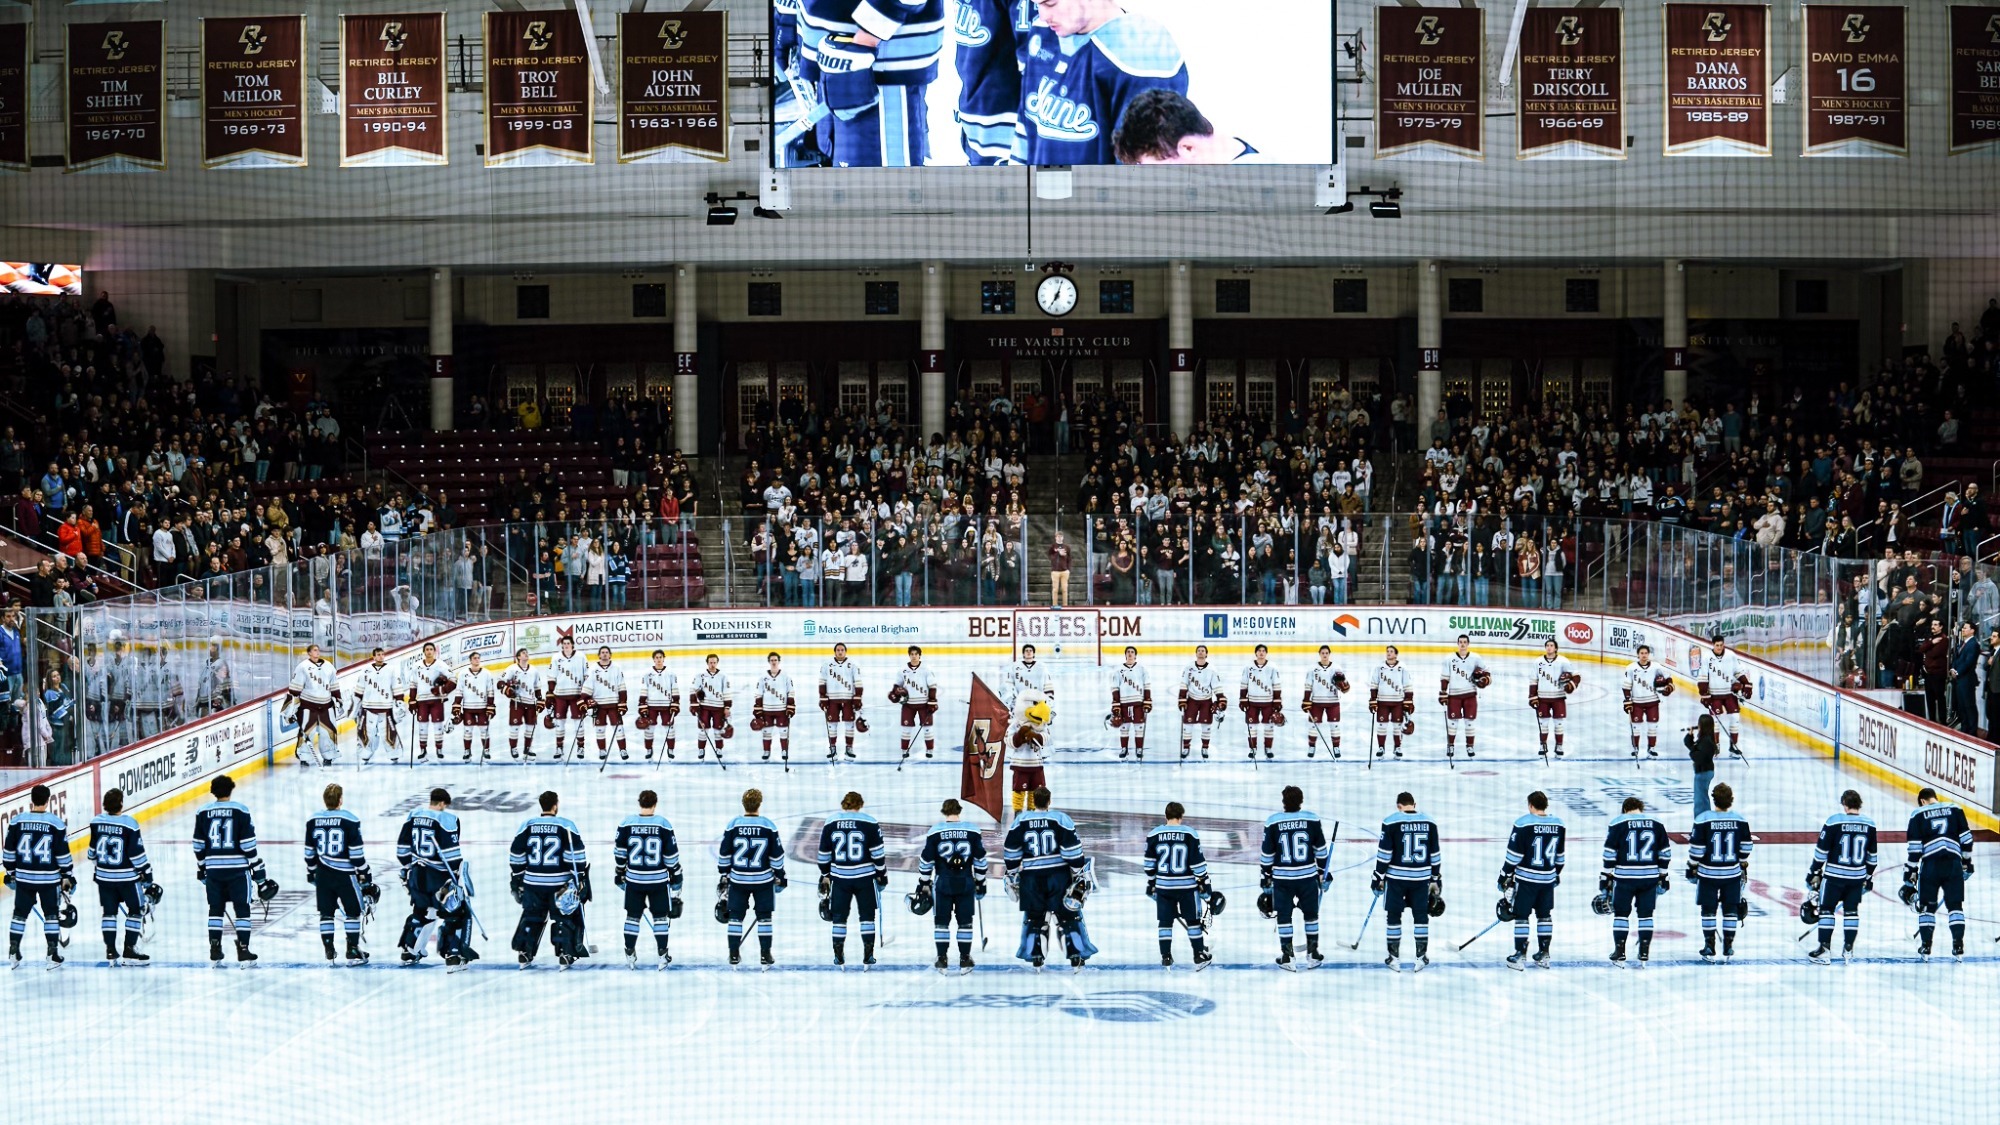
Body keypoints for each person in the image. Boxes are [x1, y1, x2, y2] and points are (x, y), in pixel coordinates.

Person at [1003, 785, 1095, 971]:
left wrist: (1012, 872)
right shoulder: (1060, 819)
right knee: (1068, 916)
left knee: (1035, 918)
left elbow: (1011, 850)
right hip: (1058, 877)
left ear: (1033, 801)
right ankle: (1075, 955)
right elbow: (1071, 850)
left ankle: (1036, 956)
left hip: (1031, 878)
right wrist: (1078, 872)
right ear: (1049, 801)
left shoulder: (1021, 820)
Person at [509, 791, 592, 969]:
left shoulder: (527, 825)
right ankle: (565, 954)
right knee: (564, 917)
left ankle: (525, 953)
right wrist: (579, 877)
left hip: (532, 883)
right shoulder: (566, 825)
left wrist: (518, 876)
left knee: (532, 917)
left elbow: (516, 854)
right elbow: (575, 856)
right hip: (559, 885)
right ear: (556, 805)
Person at [192, 775, 267, 965]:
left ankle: (215, 949)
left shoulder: (202, 812)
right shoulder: (241, 810)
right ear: (231, 789)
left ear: (213, 791)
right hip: (238, 871)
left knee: (215, 909)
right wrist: (258, 869)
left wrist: (202, 868)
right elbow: (248, 844)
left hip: (214, 870)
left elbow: (198, 845)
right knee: (242, 909)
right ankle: (243, 950)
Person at [396, 788, 473, 968]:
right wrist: (456, 877)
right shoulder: (447, 819)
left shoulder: (413, 816)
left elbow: (402, 850)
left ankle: (410, 950)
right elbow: (452, 856)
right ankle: (453, 954)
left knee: (422, 910)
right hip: (439, 879)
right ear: (442, 803)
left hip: (416, 876)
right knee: (457, 912)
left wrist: (409, 868)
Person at [1261, 785, 1330, 970]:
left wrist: (1265, 876)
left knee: (1284, 916)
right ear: (1301, 801)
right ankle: (1313, 954)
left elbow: (1267, 854)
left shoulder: (1273, 821)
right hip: (1307, 877)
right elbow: (1321, 851)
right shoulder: (1312, 819)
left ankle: (1288, 956)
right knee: (1311, 915)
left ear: (1283, 802)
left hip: (1282, 878)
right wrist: (1323, 872)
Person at [304, 783, 373, 965]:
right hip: (345, 875)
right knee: (353, 912)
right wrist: (365, 872)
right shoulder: (350, 819)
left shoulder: (313, 820)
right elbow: (356, 855)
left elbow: (309, 852)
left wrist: (311, 872)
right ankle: (352, 950)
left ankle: (329, 949)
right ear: (341, 800)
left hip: (323, 874)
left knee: (326, 913)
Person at [613, 789, 684, 969]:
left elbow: (620, 853)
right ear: (655, 804)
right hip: (658, 881)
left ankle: (630, 953)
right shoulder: (663, 824)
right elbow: (671, 857)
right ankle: (662, 954)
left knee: (632, 917)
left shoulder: (626, 823)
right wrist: (676, 874)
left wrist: (620, 872)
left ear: (639, 803)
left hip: (634, 880)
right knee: (660, 918)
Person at [4, 784, 73, 966]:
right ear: (48, 801)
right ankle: (52, 953)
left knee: (19, 914)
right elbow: (63, 855)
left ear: (31, 800)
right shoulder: (56, 823)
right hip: (49, 879)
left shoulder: (17, 821)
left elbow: (8, 852)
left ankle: (13, 951)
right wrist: (68, 875)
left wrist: (11, 873)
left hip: (24, 878)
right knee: (51, 914)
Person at [817, 791, 888, 968]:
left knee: (839, 918)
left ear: (844, 804)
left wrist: (825, 875)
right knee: (867, 917)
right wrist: (881, 874)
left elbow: (823, 854)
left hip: (840, 878)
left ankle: (838, 956)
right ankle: (868, 956)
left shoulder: (831, 822)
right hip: (865, 878)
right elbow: (878, 854)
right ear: (860, 804)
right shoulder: (870, 822)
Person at [717, 788, 787, 969]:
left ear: (744, 804)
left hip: (738, 880)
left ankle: (733, 953)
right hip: (763, 881)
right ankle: (765, 954)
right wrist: (780, 875)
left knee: (735, 917)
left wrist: (724, 874)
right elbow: (777, 857)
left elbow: (724, 854)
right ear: (759, 804)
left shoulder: (733, 824)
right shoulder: (768, 826)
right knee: (764, 917)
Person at [1806, 790, 1877, 964]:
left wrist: (1813, 871)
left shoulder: (1834, 821)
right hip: (1857, 878)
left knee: (1826, 910)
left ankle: (1824, 950)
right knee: (1851, 912)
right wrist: (1867, 877)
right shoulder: (1870, 824)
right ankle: (1848, 950)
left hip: (1834, 877)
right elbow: (1872, 858)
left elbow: (1821, 852)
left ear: (1845, 804)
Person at [1372, 791, 1441, 972]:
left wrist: (1377, 877)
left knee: (1394, 916)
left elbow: (1384, 854)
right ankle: (1421, 957)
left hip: (1396, 880)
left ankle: (1394, 958)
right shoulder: (1430, 822)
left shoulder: (1390, 821)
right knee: (1421, 916)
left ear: (1399, 806)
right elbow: (1435, 854)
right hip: (1421, 879)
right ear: (1414, 804)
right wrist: (1435, 879)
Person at [916, 798, 987, 973]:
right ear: (959, 810)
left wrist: (924, 882)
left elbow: (926, 861)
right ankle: (965, 960)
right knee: (965, 922)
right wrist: (980, 882)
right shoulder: (973, 830)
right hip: (965, 882)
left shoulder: (935, 831)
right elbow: (980, 860)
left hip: (943, 883)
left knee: (941, 922)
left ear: (944, 811)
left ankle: (942, 959)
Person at [1599, 796, 1671, 967]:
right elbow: (1665, 853)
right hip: (1649, 878)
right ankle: (1644, 952)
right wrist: (1663, 875)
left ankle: (1620, 952)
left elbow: (1609, 852)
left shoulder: (1618, 823)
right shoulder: (1657, 824)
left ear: (1625, 810)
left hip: (1625, 878)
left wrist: (1606, 876)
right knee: (1646, 915)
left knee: (1621, 914)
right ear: (1641, 809)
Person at [1906, 787, 1974, 961]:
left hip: (1930, 866)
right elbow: (1967, 839)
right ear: (1934, 797)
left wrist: (1911, 871)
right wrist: (1966, 863)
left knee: (1927, 907)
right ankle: (1958, 946)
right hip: (1953, 864)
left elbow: (1914, 848)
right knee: (1955, 906)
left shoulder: (1917, 814)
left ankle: (1926, 947)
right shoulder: (1955, 808)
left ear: (1922, 801)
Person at [1498, 791, 1564, 970]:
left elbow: (1514, 856)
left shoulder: (1523, 823)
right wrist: (1554, 874)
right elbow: (1560, 858)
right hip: (1547, 880)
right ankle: (1544, 954)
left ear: (1530, 805)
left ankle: (1520, 955)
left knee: (1521, 916)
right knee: (1544, 915)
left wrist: (1504, 875)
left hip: (1526, 880)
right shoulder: (1558, 824)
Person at [1687, 783, 1751, 963]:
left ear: (1713, 799)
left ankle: (1709, 946)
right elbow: (1746, 847)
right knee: (1730, 909)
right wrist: (1740, 860)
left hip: (1708, 874)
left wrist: (1692, 865)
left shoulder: (1703, 819)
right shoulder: (1740, 819)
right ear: (1731, 800)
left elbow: (1697, 850)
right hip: (1732, 874)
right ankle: (1728, 945)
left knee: (1708, 909)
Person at [87, 787, 152, 964]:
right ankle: (129, 949)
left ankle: (110, 950)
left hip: (104, 878)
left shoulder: (96, 822)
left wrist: (102, 868)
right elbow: (136, 855)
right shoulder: (130, 824)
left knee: (109, 913)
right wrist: (147, 872)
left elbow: (91, 853)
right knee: (136, 910)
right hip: (127, 879)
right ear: (121, 803)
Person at [1146, 801, 1213, 969]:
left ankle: (1166, 956)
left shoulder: (1154, 834)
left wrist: (1152, 883)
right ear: (1181, 816)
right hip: (1187, 887)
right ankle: (1198, 954)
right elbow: (1198, 865)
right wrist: (1204, 882)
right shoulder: (1189, 833)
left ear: (1166, 816)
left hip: (1164, 887)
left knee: (1165, 922)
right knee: (1193, 921)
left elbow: (1148, 865)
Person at [286, 642, 342, 767]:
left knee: (328, 731)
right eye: (314, 650)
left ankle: (328, 756)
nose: (317, 652)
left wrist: (338, 700)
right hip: (308, 706)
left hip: (326, 706)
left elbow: (334, 685)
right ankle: (304, 757)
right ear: (309, 653)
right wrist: (291, 708)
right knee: (307, 732)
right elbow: (294, 690)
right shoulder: (302, 667)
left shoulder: (328, 666)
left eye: (318, 650)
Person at [1440, 633, 1492, 761]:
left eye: (1465, 642)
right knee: (1453, 722)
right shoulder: (1449, 659)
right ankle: (1450, 746)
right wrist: (1443, 692)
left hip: (1470, 695)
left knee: (1470, 722)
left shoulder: (1476, 658)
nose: (1462, 644)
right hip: (1454, 695)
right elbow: (1445, 677)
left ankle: (1470, 747)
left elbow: (1487, 673)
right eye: (1460, 642)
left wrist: (1485, 679)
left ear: (1468, 644)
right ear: (1458, 644)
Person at [403, 641, 457, 764]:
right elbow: (413, 683)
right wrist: (412, 700)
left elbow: (453, 679)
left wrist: (442, 690)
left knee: (438, 726)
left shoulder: (440, 664)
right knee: (422, 726)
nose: (429, 651)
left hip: (436, 700)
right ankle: (423, 750)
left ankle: (439, 749)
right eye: (427, 649)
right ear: (424, 652)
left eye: (431, 649)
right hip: (422, 700)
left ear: (434, 651)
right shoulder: (417, 666)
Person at [1697, 636, 1750, 758]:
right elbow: (1703, 676)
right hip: (1714, 694)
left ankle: (1733, 747)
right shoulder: (1706, 657)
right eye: (1717, 645)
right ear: (1713, 645)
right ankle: (1715, 746)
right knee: (1715, 721)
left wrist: (1746, 683)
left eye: (1721, 645)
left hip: (1729, 693)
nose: (1719, 647)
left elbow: (1738, 671)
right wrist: (1704, 694)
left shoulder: (1731, 655)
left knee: (1735, 717)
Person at [1529, 640, 1579, 759]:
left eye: (1551, 645)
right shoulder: (1538, 662)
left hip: (1558, 697)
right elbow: (1533, 680)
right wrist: (1532, 696)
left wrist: (1571, 685)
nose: (1549, 647)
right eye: (1547, 645)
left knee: (1559, 724)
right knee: (1543, 724)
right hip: (1542, 698)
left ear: (1556, 648)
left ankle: (1559, 746)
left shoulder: (1563, 661)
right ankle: (1543, 745)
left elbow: (1576, 675)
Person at [1619, 644, 1669, 761]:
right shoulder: (1631, 668)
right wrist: (1628, 700)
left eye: (1646, 653)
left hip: (1653, 701)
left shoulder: (1656, 667)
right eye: (1642, 653)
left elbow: (1667, 677)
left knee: (1652, 727)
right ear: (1638, 655)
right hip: (1637, 702)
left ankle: (1651, 748)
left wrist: (1669, 686)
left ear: (1649, 654)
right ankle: (1635, 748)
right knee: (1635, 727)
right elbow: (1626, 686)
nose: (1644, 655)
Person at [892, 644, 940, 763]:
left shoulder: (926, 669)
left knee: (928, 728)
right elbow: (897, 686)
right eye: (912, 654)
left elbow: (932, 686)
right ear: (909, 656)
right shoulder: (902, 670)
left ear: (919, 655)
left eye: (916, 654)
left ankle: (929, 750)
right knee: (906, 729)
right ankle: (904, 750)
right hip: (908, 704)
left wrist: (932, 701)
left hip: (924, 704)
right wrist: (896, 694)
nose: (914, 656)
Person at [545, 635, 590, 761]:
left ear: (572, 645)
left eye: (568, 643)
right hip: (560, 695)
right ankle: (559, 748)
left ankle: (580, 747)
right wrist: (550, 694)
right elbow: (551, 677)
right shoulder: (556, 657)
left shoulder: (581, 656)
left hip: (577, 695)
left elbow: (587, 676)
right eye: (564, 643)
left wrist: (585, 695)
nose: (566, 645)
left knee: (578, 722)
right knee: (559, 723)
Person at [355, 647, 402, 763]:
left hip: (386, 707)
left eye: (382, 654)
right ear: (374, 657)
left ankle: (394, 753)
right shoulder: (365, 670)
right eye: (378, 654)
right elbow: (359, 689)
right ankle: (365, 753)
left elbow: (396, 686)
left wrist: (399, 702)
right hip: (368, 707)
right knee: (367, 733)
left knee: (388, 732)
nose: (381, 656)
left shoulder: (391, 670)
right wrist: (356, 706)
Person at [1177, 644, 1224, 760]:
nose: (1201, 652)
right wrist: (1182, 699)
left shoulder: (1212, 669)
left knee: (1206, 726)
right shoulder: (1188, 668)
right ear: (1196, 653)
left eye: (1203, 650)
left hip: (1206, 701)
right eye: (1199, 650)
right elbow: (1184, 684)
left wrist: (1220, 700)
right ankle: (1186, 748)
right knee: (1187, 725)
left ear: (1206, 654)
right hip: (1192, 700)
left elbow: (1217, 687)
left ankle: (1205, 748)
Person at [818, 642, 864, 761]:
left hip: (848, 699)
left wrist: (857, 697)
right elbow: (822, 682)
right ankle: (832, 749)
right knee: (832, 724)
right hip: (832, 700)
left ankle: (849, 749)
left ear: (845, 651)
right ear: (835, 652)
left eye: (842, 650)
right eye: (838, 650)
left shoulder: (853, 665)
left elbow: (858, 682)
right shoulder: (826, 665)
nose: (840, 652)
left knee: (849, 724)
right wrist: (823, 697)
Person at [496, 648, 543, 761]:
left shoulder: (534, 670)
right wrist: (507, 689)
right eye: (523, 653)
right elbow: (499, 682)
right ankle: (513, 748)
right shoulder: (512, 668)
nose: (526, 654)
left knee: (530, 727)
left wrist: (540, 700)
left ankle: (528, 749)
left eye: (527, 653)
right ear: (518, 657)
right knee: (515, 727)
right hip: (517, 702)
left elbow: (537, 687)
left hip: (531, 703)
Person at [1303, 644, 1349, 759]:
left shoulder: (1337, 668)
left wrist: (1345, 686)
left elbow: (1345, 686)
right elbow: (1308, 685)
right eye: (1322, 653)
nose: (1324, 655)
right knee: (1313, 726)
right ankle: (1311, 747)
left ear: (1329, 654)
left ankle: (1336, 747)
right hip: (1316, 702)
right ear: (1319, 654)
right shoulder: (1312, 668)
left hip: (1333, 702)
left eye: (1326, 653)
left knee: (1335, 726)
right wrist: (1306, 699)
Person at [1368, 645, 1414, 759]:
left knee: (1397, 726)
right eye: (1387, 651)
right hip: (1382, 701)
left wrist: (1408, 700)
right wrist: (1373, 699)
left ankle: (1397, 747)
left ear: (1396, 654)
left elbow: (1408, 685)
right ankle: (1381, 747)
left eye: (1391, 651)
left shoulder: (1402, 667)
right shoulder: (1379, 668)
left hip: (1398, 702)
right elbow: (1374, 684)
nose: (1388, 653)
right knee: (1382, 725)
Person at [1237, 642, 1281, 761]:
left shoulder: (1272, 667)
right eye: (1259, 651)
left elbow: (1276, 684)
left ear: (1266, 653)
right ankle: (1253, 748)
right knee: (1252, 726)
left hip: (1268, 702)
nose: (1261, 653)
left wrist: (1277, 700)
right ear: (1255, 653)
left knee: (1269, 726)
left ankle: (1268, 748)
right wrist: (1243, 699)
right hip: (1252, 702)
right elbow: (1244, 683)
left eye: (1263, 651)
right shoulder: (1248, 667)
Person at [586, 645, 630, 763]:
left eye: (606, 652)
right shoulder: (592, 669)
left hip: (614, 704)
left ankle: (623, 750)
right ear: (599, 655)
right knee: (600, 729)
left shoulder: (617, 668)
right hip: (599, 705)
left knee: (619, 728)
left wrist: (622, 702)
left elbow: (622, 687)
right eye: (602, 652)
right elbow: (587, 688)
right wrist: (588, 703)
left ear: (610, 655)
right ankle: (602, 750)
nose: (604, 654)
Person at [1109, 645, 1152, 760]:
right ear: (1125, 654)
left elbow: (1147, 685)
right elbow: (1115, 688)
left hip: (1138, 703)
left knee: (1139, 728)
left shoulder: (1142, 669)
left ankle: (1139, 749)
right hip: (1124, 703)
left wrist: (1147, 701)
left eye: (1132, 652)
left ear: (1135, 655)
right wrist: (1116, 704)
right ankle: (1124, 748)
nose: (1130, 653)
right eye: (1128, 652)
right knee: (1124, 728)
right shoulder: (1118, 670)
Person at [752, 651, 796, 763]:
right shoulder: (763, 677)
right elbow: (758, 694)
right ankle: (766, 751)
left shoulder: (786, 676)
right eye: (771, 660)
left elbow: (790, 692)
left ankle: (784, 751)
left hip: (781, 710)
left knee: (783, 731)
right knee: (766, 732)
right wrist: (758, 709)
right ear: (769, 662)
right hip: (767, 710)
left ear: (779, 661)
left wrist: (790, 707)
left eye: (775, 660)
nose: (774, 662)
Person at [637, 649, 680, 762]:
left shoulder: (671, 673)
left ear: (664, 658)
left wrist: (675, 703)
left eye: (660, 657)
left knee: (669, 729)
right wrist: (642, 705)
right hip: (651, 706)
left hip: (667, 706)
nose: (659, 659)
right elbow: (644, 689)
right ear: (653, 659)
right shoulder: (647, 674)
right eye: (656, 657)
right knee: (649, 729)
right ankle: (649, 750)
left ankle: (670, 749)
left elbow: (675, 689)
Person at [455, 650, 497, 762]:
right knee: (467, 730)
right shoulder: (463, 674)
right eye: (474, 658)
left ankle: (486, 750)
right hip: (468, 708)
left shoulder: (487, 674)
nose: (477, 660)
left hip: (482, 707)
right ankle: (467, 751)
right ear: (470, 660)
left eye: (478, 658)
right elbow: (459, 690)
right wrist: (457, 704)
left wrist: (491, 705)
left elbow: (490, 691)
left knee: (484, 730)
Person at [691, 653, 735, 762]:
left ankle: (719, 749)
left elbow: (727, 692)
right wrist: (694, 703)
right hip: (704, 708)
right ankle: (701, 749)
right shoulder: (700, 676)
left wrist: (727, 707)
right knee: (703, 730)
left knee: (718, 730)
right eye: (710, 662)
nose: (712, 664)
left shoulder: (723, 676)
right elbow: (693, 689)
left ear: (717, 662)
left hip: (718, 708)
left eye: (714, 662)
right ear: (707, 663)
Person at [1685, 714, 1719, 817]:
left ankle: (1702, 819)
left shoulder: (1706, 741)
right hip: (1703, 771)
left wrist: (1692, 753)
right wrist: (1689, 736)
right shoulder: (1704, 739)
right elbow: (1693, 747)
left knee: (1700, 799)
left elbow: (1698, 757)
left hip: (1704, 772)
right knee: (1700, 798)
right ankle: (1703, 819)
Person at [1950, 622, 1981, 735]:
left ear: (1972, 630)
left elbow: (1969, 662)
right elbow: (1956, 658)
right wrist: (1953, 668)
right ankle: (1964, 729)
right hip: (1959, 680)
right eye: (1962, 628)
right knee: (1961, 706)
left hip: (1967, 680)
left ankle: (1972, 732)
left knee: (1969, 706)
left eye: (1965, 628)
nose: (1963, 630)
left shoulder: (1974, 644)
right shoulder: (1963, 643)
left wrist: (1957, 672)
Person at [1047, 532, 1071, 607]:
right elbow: (1049, 555)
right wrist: (1058, 553)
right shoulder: (1052, 546)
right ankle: (1055, 605)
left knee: (1064, 589)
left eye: (1061, 536)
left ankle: (1065, 605)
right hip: (1055, 571)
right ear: (1055, 537)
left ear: (1063, 537)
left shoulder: (1067, 547)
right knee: (1055, 589)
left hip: (1064, 571)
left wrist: (1068, 569)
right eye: (1058, 536)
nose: (1059, 538)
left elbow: (1070, 558)